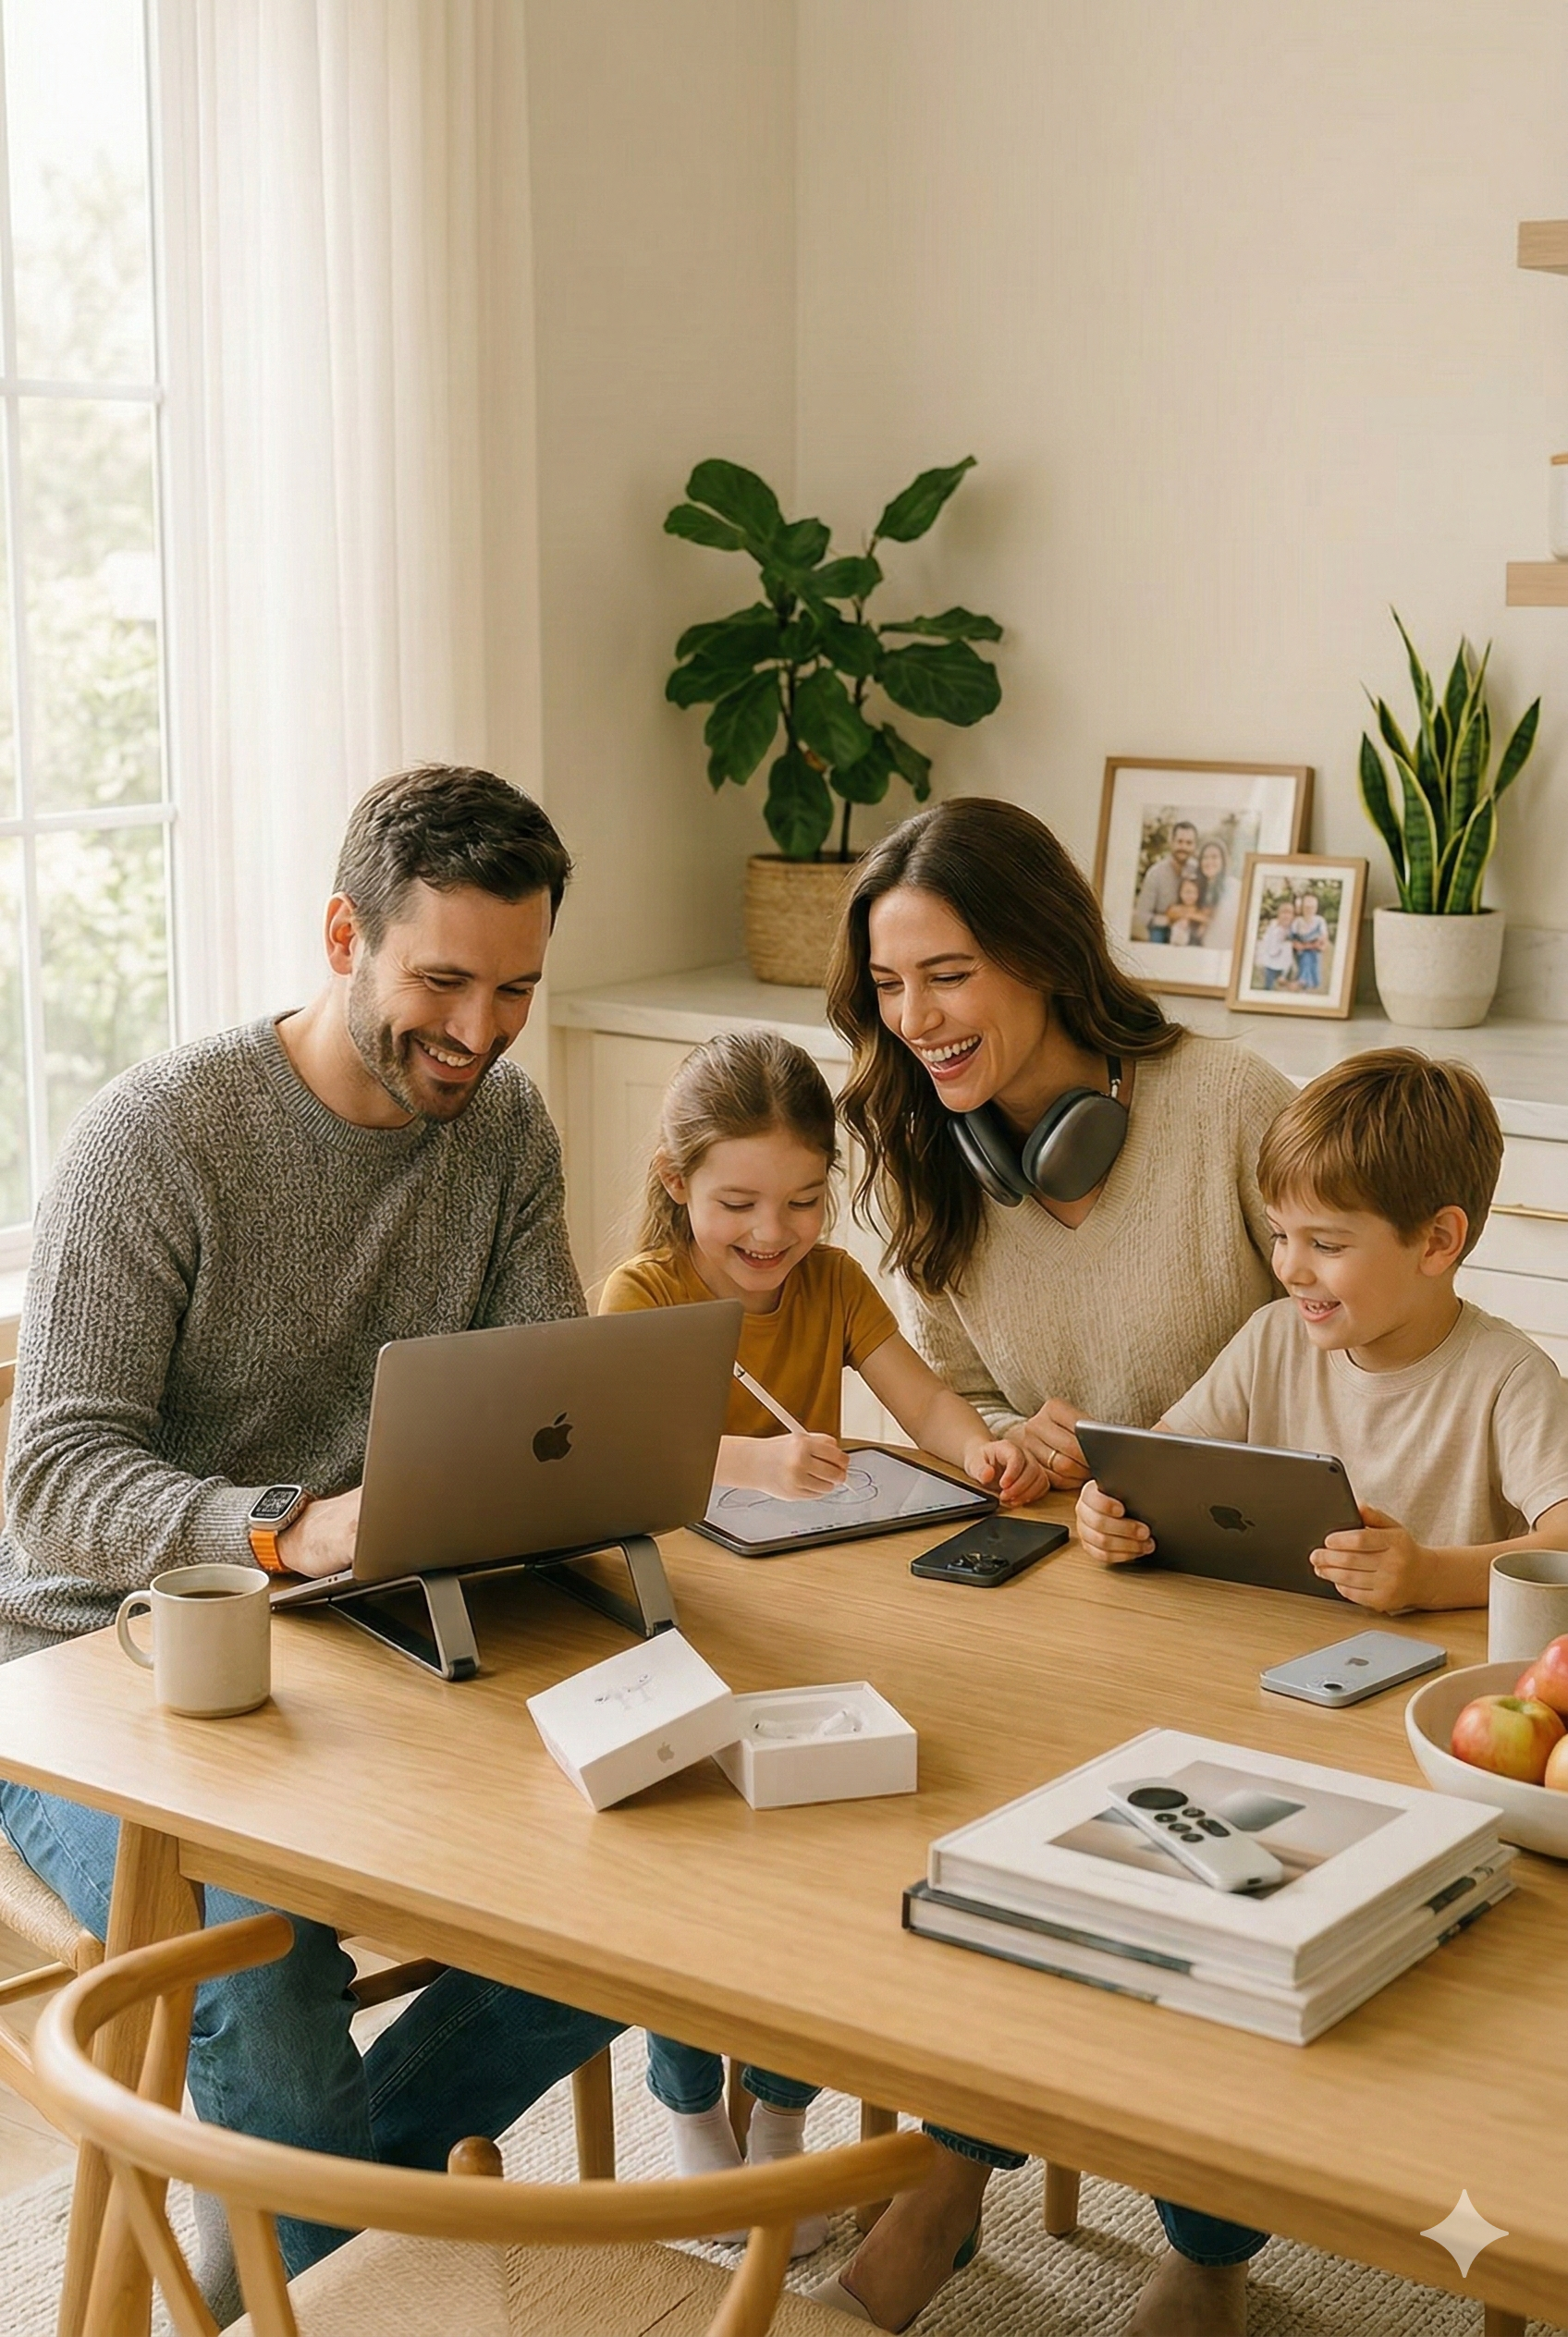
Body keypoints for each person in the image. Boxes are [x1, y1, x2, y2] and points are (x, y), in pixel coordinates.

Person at [0, 766, 625, 2309]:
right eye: (444, 981)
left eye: (518, 990)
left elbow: (541, 1397)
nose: (480, 1032)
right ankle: (331, 2272)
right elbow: (56, 1474)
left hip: (372, 1632)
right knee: (261, 1963)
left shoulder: (503, 1131)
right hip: (93, 1663)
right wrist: (286, 1527)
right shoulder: (154, 1137)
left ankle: (287, 2276)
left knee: (649, 1889)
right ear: (346, 932)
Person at [811, 798, 1295, 2333]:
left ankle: (1209, 2250)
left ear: (1041, 952)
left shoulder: (1228, 1106)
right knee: (963, 1811)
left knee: (1200, 1869)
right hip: (1071, 1589)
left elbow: (1376, 1333)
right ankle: (947, 2173)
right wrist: (1015, 1442)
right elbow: (960, 1398)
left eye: (946, 974)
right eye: (889, 988)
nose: (916, 1020)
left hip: (1261, 1596)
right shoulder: (923, 1157)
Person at [599, 1028, 1047, 2252]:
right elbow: (619, 1457)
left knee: (830, 1867)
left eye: (801, 1201)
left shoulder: (835, 1284)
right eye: (736, 1202)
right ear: (676, 1181)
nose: (770, 1232)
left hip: (821, 1609)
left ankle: (783, 2119)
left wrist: (979, 1452)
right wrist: (750, 1457)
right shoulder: (641, 1293)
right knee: (694, 1883)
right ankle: (693, 2117)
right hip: (682, 1626)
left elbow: (925, 1400)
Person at [1076, 1050, 1568, 1613]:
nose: (1289, 1268)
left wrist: (1429, 1578)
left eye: (1327, 1244)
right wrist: (1109, 1509)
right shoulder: (1270, 1339)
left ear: (1436, 1242)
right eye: (1280, 1234)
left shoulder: (1510, 1380)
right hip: (1278, 1643)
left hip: (1433, 1669)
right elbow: (1152, 1465)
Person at [1131, 818, 1198, 943]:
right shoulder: (1155, 873)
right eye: (1180, 841)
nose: (1183, 847)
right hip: (1161, 931)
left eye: (1189, 843)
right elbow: (1142, 915)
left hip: (1190, 929)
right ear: (1171, 842)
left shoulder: (1198, 871)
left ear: (1194, 846)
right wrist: (1169, 920)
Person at [1194, 835, 1240, 954]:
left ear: (1223, 861)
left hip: (1224, 950)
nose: (1209, 862)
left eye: (1214, 857)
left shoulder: (1234, 887)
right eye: (1205, 857)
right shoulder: (1196, 887)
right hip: (1200, 951)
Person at [1254, 897, 1298, 991]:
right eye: (1283, 913)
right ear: (1278, 915)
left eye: (1289, 913)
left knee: (1283, 988)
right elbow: (1266, 944)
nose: (1286, 916)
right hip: (1271, 964)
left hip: (1285, 966)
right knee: (1268, 987)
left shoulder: (1292, 930)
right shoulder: (1273, 927)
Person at [1291, 891, 1329, 992]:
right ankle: (1303, 980)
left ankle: (1305, 980)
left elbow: (1323, 939)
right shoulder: (1298, 921)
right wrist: (1298, 945)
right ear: (1302, 907)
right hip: (1301, 951)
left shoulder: (1320, 920)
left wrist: (1311, 945)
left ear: (1316, 908)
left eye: (1312, 907)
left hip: (1314, 950)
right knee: (1305, 957)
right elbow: (1292, 938)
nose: (1309, 910)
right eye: (1307, 907)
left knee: (1311, 959)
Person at [1166, 870, 1209, 948]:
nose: (1190, 896)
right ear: (1180, 893)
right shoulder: (1175, 907)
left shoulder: (1200, 909)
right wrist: (1185, 917)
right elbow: (1170, 915)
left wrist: (1189, 916)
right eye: (1187, 892)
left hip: (1195, 944)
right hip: (1176, 945)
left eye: (1194, 892)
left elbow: (1206, 919)